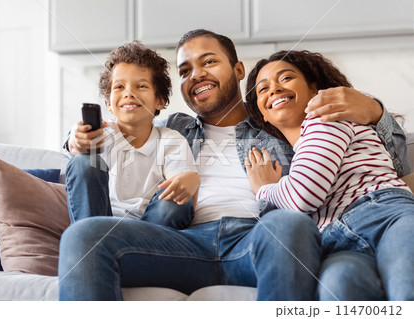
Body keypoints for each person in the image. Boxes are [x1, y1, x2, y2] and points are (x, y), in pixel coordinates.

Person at [58, 29, 410, 301]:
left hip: (259, 238)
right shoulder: (171, 128)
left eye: (208, 62)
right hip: (180, 244)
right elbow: (113, 138)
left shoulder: (280, 121)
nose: (196, 75)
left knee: (288, 224)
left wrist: (374, 111)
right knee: (84, 236)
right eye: (185, 70)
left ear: (238, 70)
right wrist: (75, 142)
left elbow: (387, 161)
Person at [244, 50, 414, 301]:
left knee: (405, 288)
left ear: (314, 90)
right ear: (263, 116)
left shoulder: (327, 116)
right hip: (336, 240)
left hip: (385, 214)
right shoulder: (301, 152)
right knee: (339, 287)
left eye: (285, 78)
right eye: (263, 89)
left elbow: (304, 197)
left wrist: (265, 188)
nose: (274, 89)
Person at [65, 41, 200, 229]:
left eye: (141, 86)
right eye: (119, 87)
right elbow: (77, 149)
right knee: (82, 162)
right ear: (109, 103)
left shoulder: (171, 141)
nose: (129, 93)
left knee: (178, 201)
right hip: (101, 224)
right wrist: (75, 140)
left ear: (160, 101)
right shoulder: (101, 135)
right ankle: (90, 238)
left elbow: (181, 183)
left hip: (148, 229)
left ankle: (133, 247)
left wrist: (188, 179)